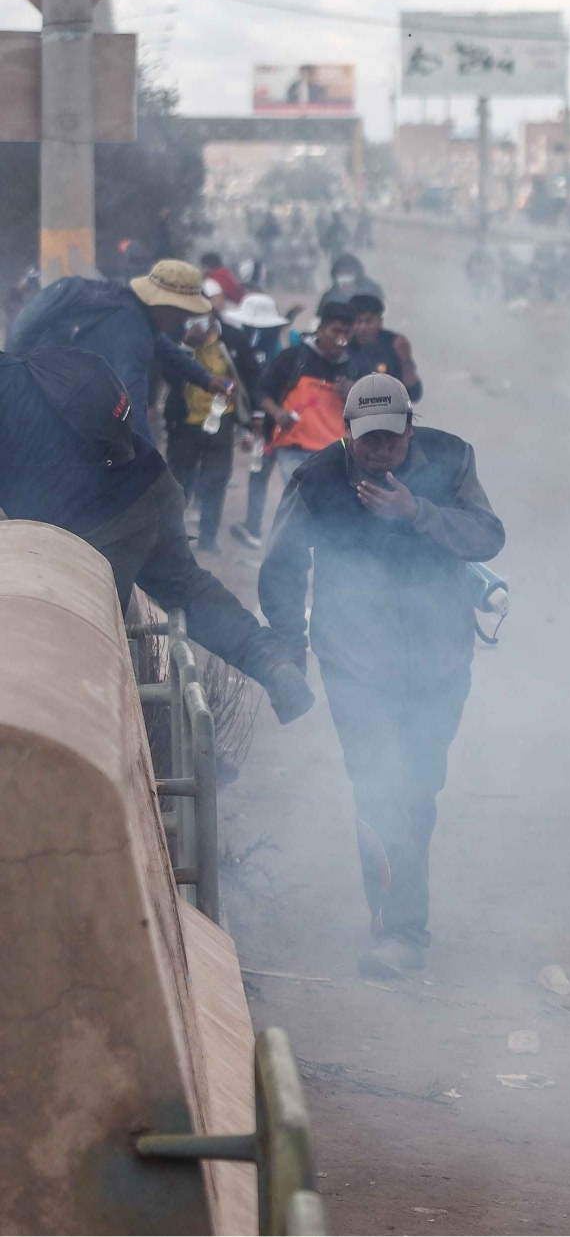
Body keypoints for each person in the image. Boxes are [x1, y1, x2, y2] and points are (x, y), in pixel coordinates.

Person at [258, 373, 505, 977]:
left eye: (391, 439)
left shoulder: (451, 459)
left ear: (410, 429)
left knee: (419, 791)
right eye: (368, 441)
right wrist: (291, 641)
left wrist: (417, 511)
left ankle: (397, 903)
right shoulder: (316, 480)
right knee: (379, 786)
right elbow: (280, 567)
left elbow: (487, 537)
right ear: (347, 434)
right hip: (355, 663)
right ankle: (400, 930)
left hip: (441, 661)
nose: (380, 451)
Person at [0, 345, 313, 722]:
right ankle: (272, 662)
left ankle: (119, 757)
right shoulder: (30, 363)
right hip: (153, 485)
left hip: (100, 531)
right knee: (188, 588)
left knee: (78, 648)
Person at [6, 258, 233, 443]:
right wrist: (152, 470)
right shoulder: (131, 331)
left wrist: (205, 379)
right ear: (165, 304)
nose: (183, 319)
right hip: (47, 411)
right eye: (182, 312)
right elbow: (130, 406)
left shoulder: (129, 304)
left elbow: (165, 348)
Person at [229, 303, 356, 549]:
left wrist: (352, 393)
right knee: (301, 497)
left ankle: (320, 546)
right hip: (293, 446)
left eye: (346, 334)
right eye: (336, 332)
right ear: (320, 329)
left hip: (335, 449)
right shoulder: (293, 358)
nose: (341, 340)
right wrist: (277, 413)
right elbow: (262, 392)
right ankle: (285, 545)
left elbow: (366, 409)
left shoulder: (355, 367)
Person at [163, 296, 259, 553]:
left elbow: (251, 377)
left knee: (217, 478)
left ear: (214, 316)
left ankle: (208, 538)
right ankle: (173, 540)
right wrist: (186, 346)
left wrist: (251, 421)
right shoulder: (174, 338)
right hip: (184, 422)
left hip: (221, 421)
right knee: (179, 482)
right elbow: (168, 376)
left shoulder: (232, 340)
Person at [225, 293, 298, 549]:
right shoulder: (280, 345)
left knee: (267, 474)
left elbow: (259, 387)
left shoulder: (262, 350)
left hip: (271, 423)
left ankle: (258, 528)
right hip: (286, 420)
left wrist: (255, 418)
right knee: (275, 476)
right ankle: (263, 529)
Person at [343, 293, 423, 402]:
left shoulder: (393, 345)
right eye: (358, 321)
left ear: (380, 322)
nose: (362, 328)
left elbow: (414, 394)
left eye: (368, 321)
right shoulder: (341, 346)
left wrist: (405, 361)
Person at [317, 253, 384, 313]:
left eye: (348, 272)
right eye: (341, 273)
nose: (345, 276)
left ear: (357, 273)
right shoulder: (329, 297)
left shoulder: (371, 291)